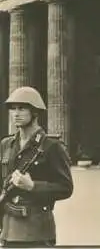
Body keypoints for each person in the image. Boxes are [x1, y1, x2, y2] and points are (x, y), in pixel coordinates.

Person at [0, 86, 73, 247]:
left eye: (22, 108)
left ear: (34, 112)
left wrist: (33, 186)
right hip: (7, 230)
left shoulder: (51, 146)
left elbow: (66, 188)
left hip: (37, 230)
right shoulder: (6, 144)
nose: (16, 113)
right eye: (13, 109)